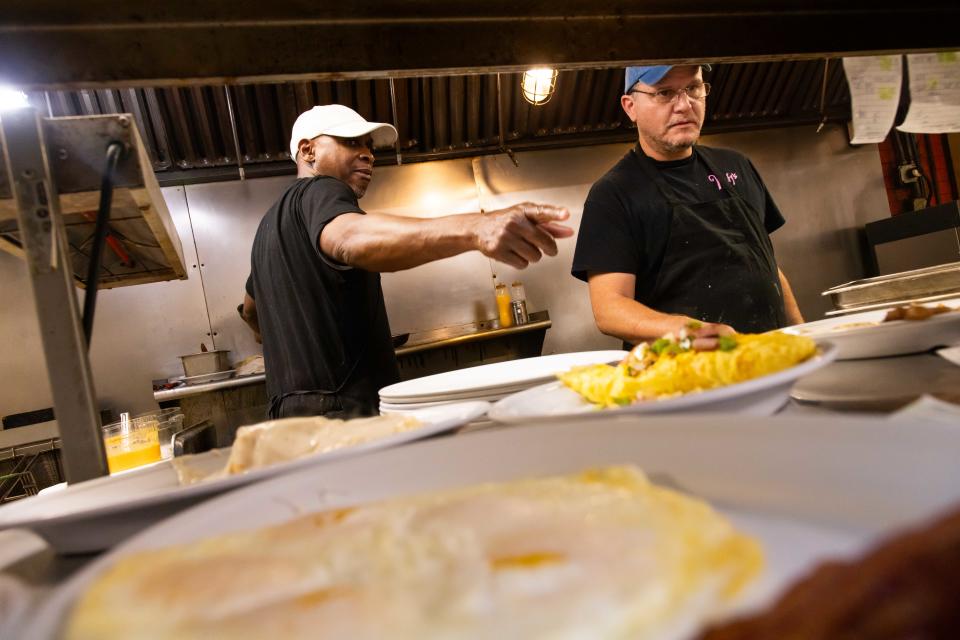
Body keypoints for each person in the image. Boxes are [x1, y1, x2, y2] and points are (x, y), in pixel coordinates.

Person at [246, 104, 572, 419]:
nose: (368, 154)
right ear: (308, 151)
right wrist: (477, 227)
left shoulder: (268, 228)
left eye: (369, 146)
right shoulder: (323, 190)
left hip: (287, 418)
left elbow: (250, 309)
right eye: (351, 142)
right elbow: (350, 238)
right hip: (344, 412)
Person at [571, 64, 804, 347]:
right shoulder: (614, 194)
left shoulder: (737, 166)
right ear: (630, 106)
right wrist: (688, 330)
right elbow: (609, 309)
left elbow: (767, 268)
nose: (684, 105)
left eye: (693, 88)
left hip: (771, 360)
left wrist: (801, 337)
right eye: (665, 93)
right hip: (685, 378)